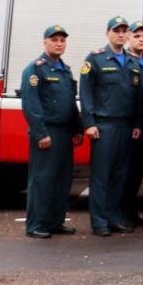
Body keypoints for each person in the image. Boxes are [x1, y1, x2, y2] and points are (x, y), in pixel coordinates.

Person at [79, 16, 140, 236]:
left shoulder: (133, 62)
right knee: (101, 176)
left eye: (124, 31)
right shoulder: (95, 59)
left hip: (125, 126)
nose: (121, 34)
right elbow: (85, 93)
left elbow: (137, 98)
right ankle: (99, 221)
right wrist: (90, 123)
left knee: (120, 175)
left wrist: (137, 123)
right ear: (108, 33)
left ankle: (114, 217)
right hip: (104, 126)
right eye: (117, 31)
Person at [22, 25, 82, 239]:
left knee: (62, 180)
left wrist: (77, 128)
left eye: (62, 40)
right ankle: (36, 224)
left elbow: (70, 103)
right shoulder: (35, 70)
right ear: (45, 42)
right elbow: (31, 104)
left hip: (65, 133)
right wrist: (41, 133)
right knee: (42, 180)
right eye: (54, 39)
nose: (59, 43)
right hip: (48, 133)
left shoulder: (65, 70)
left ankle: (55, 222)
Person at [120, 20, 143, 226]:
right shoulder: (123, 61)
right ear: (129, 38)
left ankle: (131, 212)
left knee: (137, 171)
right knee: (125, 171)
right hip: (128, 125)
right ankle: (121, 213)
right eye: (136, 36)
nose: (140, 40)